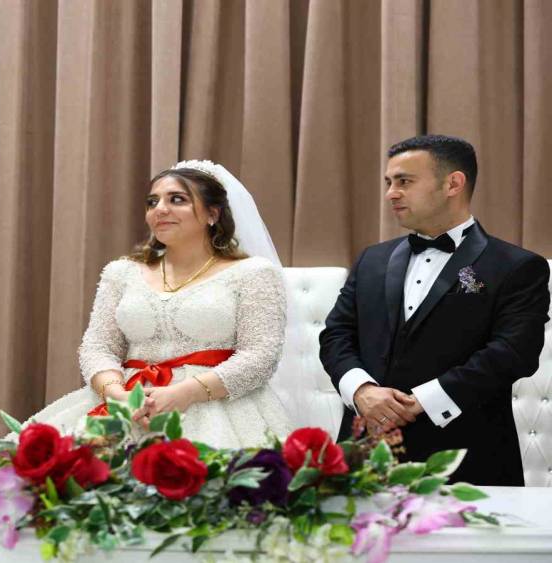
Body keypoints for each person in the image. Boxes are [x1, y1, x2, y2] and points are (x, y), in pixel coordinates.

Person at [320, 134, 550, 486]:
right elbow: (336, 334)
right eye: (389, 182)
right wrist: (361, 390)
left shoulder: (517, 266)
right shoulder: (372, 259)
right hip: (363, 455)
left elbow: (514, 352)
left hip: (468, 460)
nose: (391, 193)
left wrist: (422, 402)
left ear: (453, 184)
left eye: (404, 181)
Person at [28, 160, 293, 447]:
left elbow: (260, 355)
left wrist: (186, 393)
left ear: (213, 214)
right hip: (127, 401)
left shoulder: (253, 273)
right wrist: (117, 394)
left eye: (177, 199)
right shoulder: (121, 272)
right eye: (152, 202)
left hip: (217, 406)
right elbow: (98, 346)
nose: (160, 209)